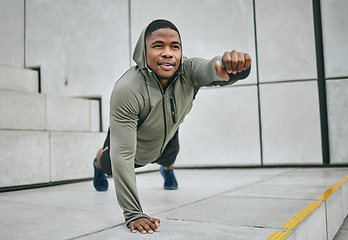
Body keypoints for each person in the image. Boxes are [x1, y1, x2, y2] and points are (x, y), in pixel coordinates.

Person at [93, 19, 251, 234]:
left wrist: (233, 69)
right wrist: (134, 213)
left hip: (168, 134)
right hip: (134, 140)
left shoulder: (188, 70)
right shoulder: (127, 89)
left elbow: (213, 69)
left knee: (170, 157)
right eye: (158, 46)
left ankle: (167, 171)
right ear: (143, 50)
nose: (168, 53)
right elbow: (123, 154)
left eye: (174, 47)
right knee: (109, 163)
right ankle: (97, 162)